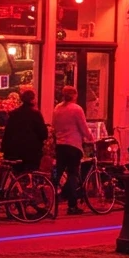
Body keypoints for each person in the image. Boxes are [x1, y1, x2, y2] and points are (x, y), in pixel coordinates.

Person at [52, 86, 94, 215]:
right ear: (74, 95)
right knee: (72, 174)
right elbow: (83, 127)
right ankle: (72, 205)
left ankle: (50, 200)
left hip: (60, 145)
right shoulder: (76, 109)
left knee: (57, 173)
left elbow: (54, 125)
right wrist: (91, 138)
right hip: (73, 145)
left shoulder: (57, 108)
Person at [1, 89, 46, 175]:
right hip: (31, 152)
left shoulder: (14, 114)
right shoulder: (36, 114)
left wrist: (5, 149)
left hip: (14, 151)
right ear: (32, 100)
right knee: (31, 173)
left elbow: (8, 133)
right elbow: (43, 133)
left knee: (17, 173)